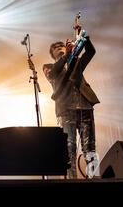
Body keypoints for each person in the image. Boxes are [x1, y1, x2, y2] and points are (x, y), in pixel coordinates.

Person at [42, 36, 100, 179]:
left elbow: (90, 52)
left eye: (61, 45)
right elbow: (54, 74)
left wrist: (84, 39)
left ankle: (96, 179)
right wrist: (67, 54)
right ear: (53, 54)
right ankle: (72, 180)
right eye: (56, 48)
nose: (59, 48)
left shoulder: (76, 63)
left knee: (90, 148)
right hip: (65, 110)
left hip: (85, 107)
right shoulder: (49, 67)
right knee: (69, 149)